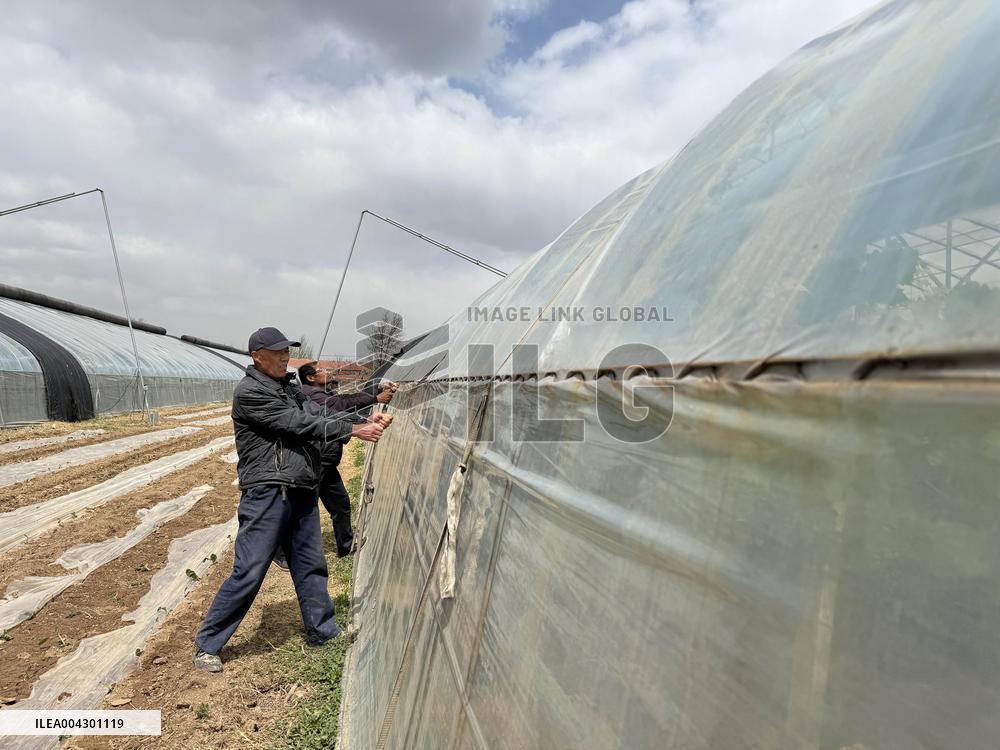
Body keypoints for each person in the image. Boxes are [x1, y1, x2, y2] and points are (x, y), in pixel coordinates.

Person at [193, 327, 384, 673]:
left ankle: (322, 632)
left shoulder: (288, 389)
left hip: (301, 488)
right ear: (257, 356)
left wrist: (364, 418)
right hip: (268, 491)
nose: (284, 357)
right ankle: (208, 644)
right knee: (250, 571)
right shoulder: (250, 393)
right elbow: (295, 423)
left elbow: (318, 415)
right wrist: (355, 430)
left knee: (311, 564)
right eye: (277, 352)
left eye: (286, 352)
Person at [295, 362, 397, 557]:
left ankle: (346, 545)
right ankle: (286, 550)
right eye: (322, 371)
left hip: (326, 460)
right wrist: (375, 398)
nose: (328, 372)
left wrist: (378, 389)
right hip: (317, 459)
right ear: (311, 378)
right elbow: (343, 405)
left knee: (340, 503)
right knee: (304, 509)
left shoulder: (324, 393)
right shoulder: (312, 396)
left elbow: (347, 398)